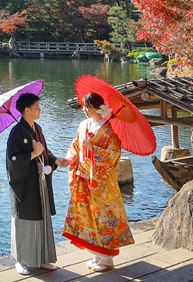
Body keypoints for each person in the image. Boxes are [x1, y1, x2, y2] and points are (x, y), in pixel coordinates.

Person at [61, 91, 134, 273]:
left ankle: (107, 259)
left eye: (88, 107)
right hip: (84, 178)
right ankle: (97, 253)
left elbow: (114, 155)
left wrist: (93, 148)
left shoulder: (109, 130)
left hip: (102, 183)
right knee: (87, 216)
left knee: (104, 217)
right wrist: (70, 159)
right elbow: (75, 146)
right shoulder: (83, 125)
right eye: (84, 106)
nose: (85, 110)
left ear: (98, 108)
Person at [5, 92, 70, 275]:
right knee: (25, 222)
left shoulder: (37, 128)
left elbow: (45, 152)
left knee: (42, 219)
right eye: (36, 107)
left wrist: (56, 160)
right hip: (24, 186)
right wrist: (33, 154)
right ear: (27, 110)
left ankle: (42, 258)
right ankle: (21, 260)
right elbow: (12, 161)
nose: (39, 110)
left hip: (39, 183)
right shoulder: (16, 133)